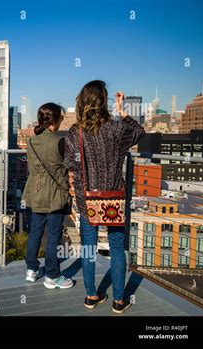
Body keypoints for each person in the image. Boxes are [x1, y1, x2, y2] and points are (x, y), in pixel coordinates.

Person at [65, 80, 145, 314]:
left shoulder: (74, 132)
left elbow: (68, 162)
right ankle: (119, 301)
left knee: (89, 247)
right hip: (113, 198)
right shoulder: (117, 130)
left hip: (86, 197)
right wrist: (122, 112)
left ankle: (91, 295)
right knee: (117, 247)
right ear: (104, 102)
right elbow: (140, 132)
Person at [22, 103, 74, 290]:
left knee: (35, 232)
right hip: (54, 193)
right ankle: (52, 275)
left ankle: (31, 269)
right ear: (55, 120)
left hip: (35, 190)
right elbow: (69, 164)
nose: (62, 120)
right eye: (61, 117)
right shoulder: (59, 141)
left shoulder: (31, 141)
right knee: (53, 236)